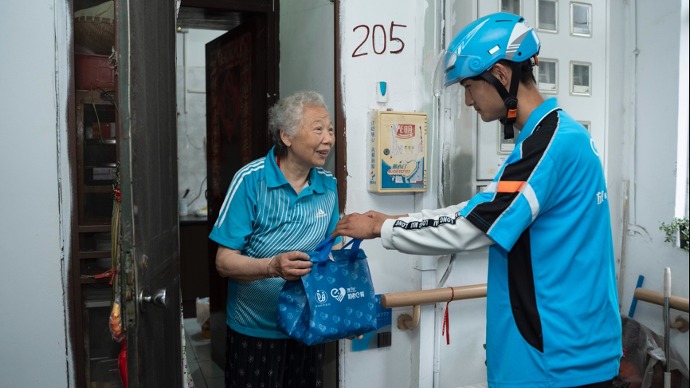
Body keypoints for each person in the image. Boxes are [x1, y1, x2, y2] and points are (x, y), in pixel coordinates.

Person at [333, 12, 622, 387]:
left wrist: (382, 228)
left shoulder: (548, 145)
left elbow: (475, 226)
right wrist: (396, 216)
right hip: (566, 350)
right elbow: (484, 209)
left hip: (558, 360)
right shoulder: (556, 135)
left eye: (470, 86)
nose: (469, 101)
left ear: (501, 76)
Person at [209, 90, 340, 388]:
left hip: (308, 325)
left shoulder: (328, 186)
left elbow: (332, 250)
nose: (328, 139)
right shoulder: (250, 180)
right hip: (255, 329)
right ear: (287, 136)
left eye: (330, 129)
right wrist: (273, 266)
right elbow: (224, 262)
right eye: (318, 129)